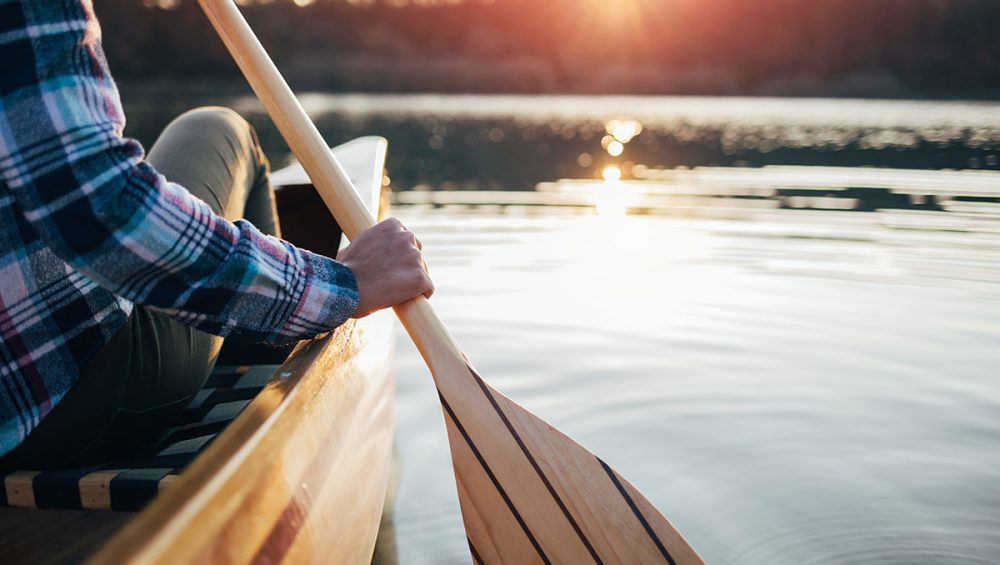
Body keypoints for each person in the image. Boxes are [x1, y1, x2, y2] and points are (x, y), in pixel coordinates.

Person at [0, 0, 432, 468]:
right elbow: (100, 210)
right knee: (218, 127)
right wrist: (338, 288)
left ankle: (258, 323)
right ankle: (269, 353)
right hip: (59, 399)